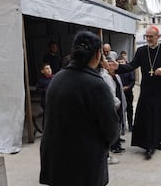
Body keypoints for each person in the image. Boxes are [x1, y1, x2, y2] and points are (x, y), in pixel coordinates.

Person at [40, 31, 119, 186]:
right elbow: (111, 130)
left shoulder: (57, 79)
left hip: (56, 162)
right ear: (98, 54)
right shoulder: (96, 85)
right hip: (84, 165)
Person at [110, 25, 161, 160]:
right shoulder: (141, 51)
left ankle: (157, 141)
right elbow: (131, 65)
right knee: (147, 115)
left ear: (158, 37)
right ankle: (148, 144)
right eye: (147, 36)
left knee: (159, 115)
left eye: (151, 36)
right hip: (147, 89)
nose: (149, 39)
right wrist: (118, 67)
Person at [116, 55, 135, 131]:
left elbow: (133, 81)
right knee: (119, 109)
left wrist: (128, 87)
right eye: (119, 62)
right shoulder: (116, 71)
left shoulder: (129, 70)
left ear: (125, 62)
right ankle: (121, 125)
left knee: (129, 109)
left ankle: (130, 125)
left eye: (122, 62)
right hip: (119, 93)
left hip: (128, 93)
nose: (121, 63)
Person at [36, 63, 53, 130]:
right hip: (46, 101)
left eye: (50, 68)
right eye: (47, 68)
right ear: (42, 71)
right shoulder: (41, 80)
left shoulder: (54, 77)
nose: (49, 70)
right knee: (46, 117)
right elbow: (38, 90)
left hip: (54, 101)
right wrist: (46, 90)